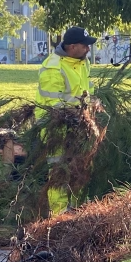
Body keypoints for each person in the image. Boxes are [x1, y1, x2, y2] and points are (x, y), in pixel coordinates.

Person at [35, 26, 96, 215]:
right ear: (71, 47)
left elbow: (85, 92)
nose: (88, 48)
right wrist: (77, 114)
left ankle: (78, 210)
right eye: (84, 45)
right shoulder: (53, 67)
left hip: (79, 122)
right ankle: (60, 214)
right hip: (56, 127)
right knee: (59, 170)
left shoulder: (82, 62)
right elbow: (54, 104)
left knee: (81, 166)